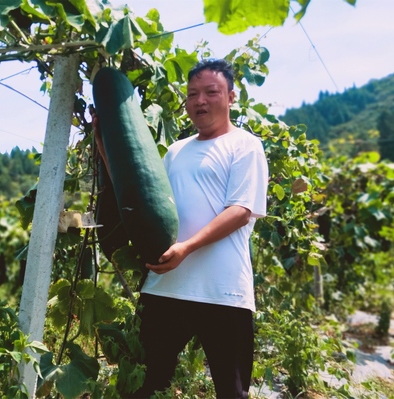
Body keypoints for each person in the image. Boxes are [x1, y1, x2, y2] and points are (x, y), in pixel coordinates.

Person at [130, 59, 269, 399]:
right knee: (144, 384)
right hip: (165, 287)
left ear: (231, 97)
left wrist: (186, 248)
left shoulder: (245, 145)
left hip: (222, 293)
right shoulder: (176, 151)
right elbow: (152, 200)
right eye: (193, 94)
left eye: (211, 92)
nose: (200, 101)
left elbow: (240, 210)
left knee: (231, 391)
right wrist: (106, 147)